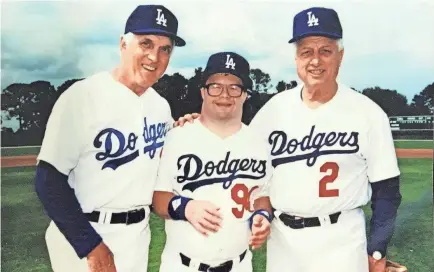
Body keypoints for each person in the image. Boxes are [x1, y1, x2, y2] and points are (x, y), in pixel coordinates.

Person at [248, 7, 402, 272]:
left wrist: (377, 249)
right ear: (296, 58)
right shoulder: (272, 111)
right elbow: (249, 169)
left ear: (340, 56)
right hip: (283, 242)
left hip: (342, 241)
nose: (315, 61)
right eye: (306, 52)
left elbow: (386, 191)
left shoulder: (368, 113)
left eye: (325, 51)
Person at [34, 5, 186, 272]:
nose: (154, 56)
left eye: (165, 49)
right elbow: (48, 180)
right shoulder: (83, 96)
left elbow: (161, 167)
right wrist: (90, 245)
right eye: (146, 43)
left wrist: (186, 127)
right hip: (85, 234)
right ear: (123, 44)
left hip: (137, 237)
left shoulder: (161, 107)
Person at [152, 52, 273, 272]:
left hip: (240, 265)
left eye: (235, 87)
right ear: (203, 92)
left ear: (245, 94)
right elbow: (157, 198)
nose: (224, 95)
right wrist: (185, 207)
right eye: (215, 86)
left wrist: (263, 216)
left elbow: (261, 195)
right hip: (182, 266)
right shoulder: (177, 137)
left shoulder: (259, 143)